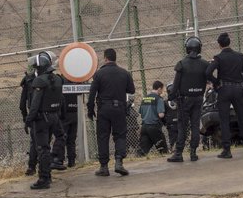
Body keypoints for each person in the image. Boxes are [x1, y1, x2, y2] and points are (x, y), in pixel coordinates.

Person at [206, 32, 243, 158]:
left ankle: (227, 150)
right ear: (229, 42)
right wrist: (240, 82)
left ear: (219, 45)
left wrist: (217, 83)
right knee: (242, 117)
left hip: (224, 90)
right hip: (238, 89)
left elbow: (208, 73)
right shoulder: (239, 56)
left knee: (224, 119)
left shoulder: (218, 58)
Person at [87, 48, 135, 177]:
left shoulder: (99, 74)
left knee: (103, 137)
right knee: (120, 135)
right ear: (115, 58)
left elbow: (92, 93)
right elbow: (131, 89)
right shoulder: (124, 73)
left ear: (105, 58)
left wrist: (90, 110)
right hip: (119, 108)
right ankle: (119, 162)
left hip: (103, 109)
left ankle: (104, 167)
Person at [25, 51, 64, 190]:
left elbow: (35, 104)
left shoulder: (39, 80)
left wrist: (28, 120)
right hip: (55, 116)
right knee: (60, 137)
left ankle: (44, 178)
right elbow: (61, 100)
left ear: (40, 67)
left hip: (42, 119)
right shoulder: (58, 79)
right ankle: (53, 161)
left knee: (42, 149)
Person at [167, 36, 209, 163]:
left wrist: (171, 96)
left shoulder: (182, 64)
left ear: (187, 48)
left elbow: (176, 84)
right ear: (199, 48)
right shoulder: (205, 64)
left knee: (182, 126)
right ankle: (193, 153)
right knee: (195, 125)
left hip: (184, 100)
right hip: (198, 98)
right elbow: (209, 78)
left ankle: (179, 153)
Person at [51, 71, 79, 170]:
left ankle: (59, 160)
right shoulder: (76, 80)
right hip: (75, 113)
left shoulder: (61, 81)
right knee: (71, 139)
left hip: (65, 114)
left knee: (62, 137)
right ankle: (72, 161)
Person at [137, 81, 167, 156]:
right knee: (163, 150)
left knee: (142, 152)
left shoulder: (144, 98)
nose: (163, 91)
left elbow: (141, 112)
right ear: (159, 89)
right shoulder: (158, 99)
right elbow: (161, 115)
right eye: (162, 89)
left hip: (144, 127)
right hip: (154, 127)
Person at [19, 63, 38, 176]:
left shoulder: (28, 80)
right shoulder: (50, 78)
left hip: (32, 115)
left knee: (34, 141)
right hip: (48, 114)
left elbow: (22, 103)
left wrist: (25, 118)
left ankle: (32, 167)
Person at [164, 83, 178, 152]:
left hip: (170, 123)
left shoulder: (165, 102)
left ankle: (172, 148)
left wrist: (165, 122)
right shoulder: (180, 100)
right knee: (181, 136)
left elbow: (163, 114)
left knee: (172, 137)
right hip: (180, 122)